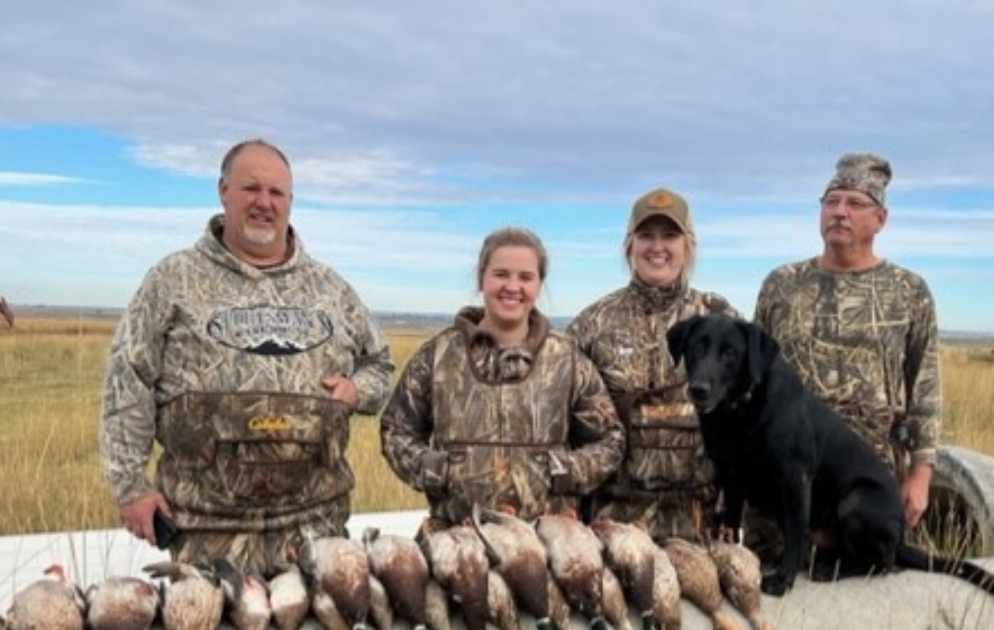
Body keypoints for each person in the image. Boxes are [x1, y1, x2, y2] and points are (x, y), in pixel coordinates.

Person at [100, 138, 393, 574]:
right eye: (251, 189)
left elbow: (380, 367)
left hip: (316, 529)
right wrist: (130, 486)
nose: (264, 203)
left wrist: (356, 390)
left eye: (276, 193)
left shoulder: (330, 289)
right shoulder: (173, 280)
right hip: (207, 535)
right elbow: (129, 379)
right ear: (223, 191)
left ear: (290, 202)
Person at [379, 226, 624, 525]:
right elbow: (396, 430)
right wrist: (438, 470)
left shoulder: (568, 361)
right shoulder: (438, 356)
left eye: (525, 277)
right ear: (482, 278)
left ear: (539, 284)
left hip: (549, 545)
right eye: (501, 274)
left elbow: (610, 440)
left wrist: (564, 471)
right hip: (459, 540)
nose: (512, 286)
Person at [754, 151, 940, 530]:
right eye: (831, 201)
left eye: (855, 203)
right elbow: (752, 377)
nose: (840, 212)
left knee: (870, 584)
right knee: (773, 581)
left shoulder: (909, 291)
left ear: (880, 219)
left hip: (867, 480)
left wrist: (920, 475)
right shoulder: (781, 284)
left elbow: (925, 389)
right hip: (785, 469)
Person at [568, 188, 740, 542]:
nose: (657, 247)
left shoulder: (725, 323)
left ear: (688, 244)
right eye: (646, 235)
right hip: (609, 528)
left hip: (702, 523)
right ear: (629, 245)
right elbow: (564, 425)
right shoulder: (591, 324)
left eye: (670, 235)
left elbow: (752, 423)